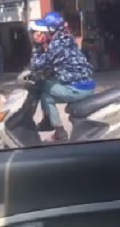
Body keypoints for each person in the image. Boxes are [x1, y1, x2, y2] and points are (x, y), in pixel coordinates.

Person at [28, 11, 96, 142]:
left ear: (51, 30)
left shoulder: (56, 45)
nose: (40, 32)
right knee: (47, 95)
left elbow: (36, 65)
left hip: (77, 88)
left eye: (44, 30)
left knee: (43, 86)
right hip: (84, 84)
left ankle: (52, 125)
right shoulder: (66, 38)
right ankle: (56, 129)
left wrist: (37, 45)